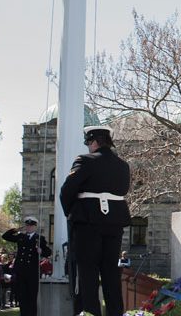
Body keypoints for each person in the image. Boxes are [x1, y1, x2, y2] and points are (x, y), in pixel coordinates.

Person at [60, 125, 132, 316]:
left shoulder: (84, 160)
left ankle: (90, 313)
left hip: (88, 223)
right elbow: (123, 190)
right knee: (110, 273)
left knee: (88, 273)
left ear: (93, 142)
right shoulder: (123, 165)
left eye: (88, 143)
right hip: (114, 224)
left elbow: (67, 191)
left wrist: (72, 214)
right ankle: (115, 313)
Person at [1, 217, 51, 316]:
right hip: (20, 271)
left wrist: (41, 251)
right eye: (27, 226)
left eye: (31, 226)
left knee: (32, 297)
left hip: (32, 272)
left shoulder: (39, 238)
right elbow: (5, 236)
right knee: (22, 297)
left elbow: (48, 252)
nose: (28, 228)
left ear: (35, 227)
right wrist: (16, 230)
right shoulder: (21, 236)